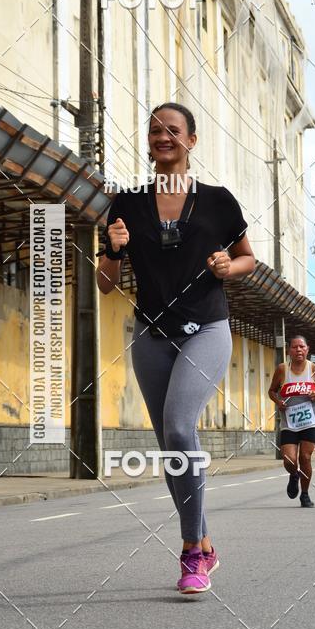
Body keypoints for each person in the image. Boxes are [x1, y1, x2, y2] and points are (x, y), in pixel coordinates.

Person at [96, 102, 255, 595]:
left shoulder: (218, 201)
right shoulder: (127, 203)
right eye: (154, 130)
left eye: (173, 129)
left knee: (182, 427)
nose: (162, 136)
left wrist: (229, 267)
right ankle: (204, 542)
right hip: (150, 335)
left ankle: (191, 553)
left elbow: (248, 260)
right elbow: (104, 283)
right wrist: (115, 249)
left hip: (207, 328)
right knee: (171, 446)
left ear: (192, 140)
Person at [268, 335, 315, 508]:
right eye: (295, 347)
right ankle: (294, 475)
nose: (299, 350)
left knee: (305, 457)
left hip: (310, 421)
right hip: (289, 422)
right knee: (289, 459)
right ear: (289, 351)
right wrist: (278, 401)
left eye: (302, 347)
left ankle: (305, 494)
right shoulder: (282, 369)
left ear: (307, 349)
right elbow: (272, 391)